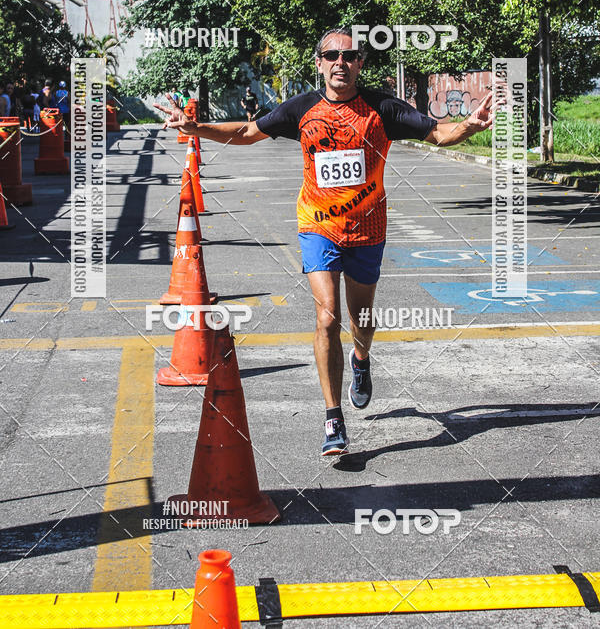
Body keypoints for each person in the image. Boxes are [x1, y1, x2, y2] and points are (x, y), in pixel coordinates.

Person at [155, 29, 494, 456]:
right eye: (331, 55)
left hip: (368, 229)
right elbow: (246, 132)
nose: (340, 62)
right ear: (319, 63)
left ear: (360, 64)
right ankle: (333, 418)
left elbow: (437, 133)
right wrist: (197, 128)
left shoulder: (382, 108)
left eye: (349, 55)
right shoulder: (301, 109)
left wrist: (468, 125)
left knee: (361, 317)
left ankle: (361, 360)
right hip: (317, 226)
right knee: (327, 317)